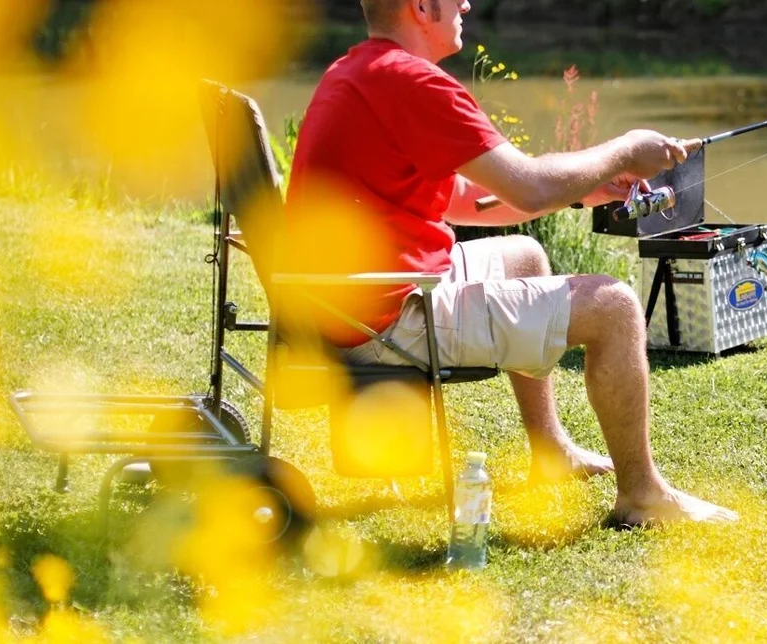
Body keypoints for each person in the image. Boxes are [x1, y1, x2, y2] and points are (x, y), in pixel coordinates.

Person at [282, 0, 736, 526]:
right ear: (422, 6)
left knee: (524, 255)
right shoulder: (412, 83)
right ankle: (643, 496)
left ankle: (551, 451)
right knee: (614, 307)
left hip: (349, 297)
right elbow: (531, 186)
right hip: (386, 315)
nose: (467, 4)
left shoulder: (361, 69)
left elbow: (457, 197)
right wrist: (625, 149)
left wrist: (588, 188)